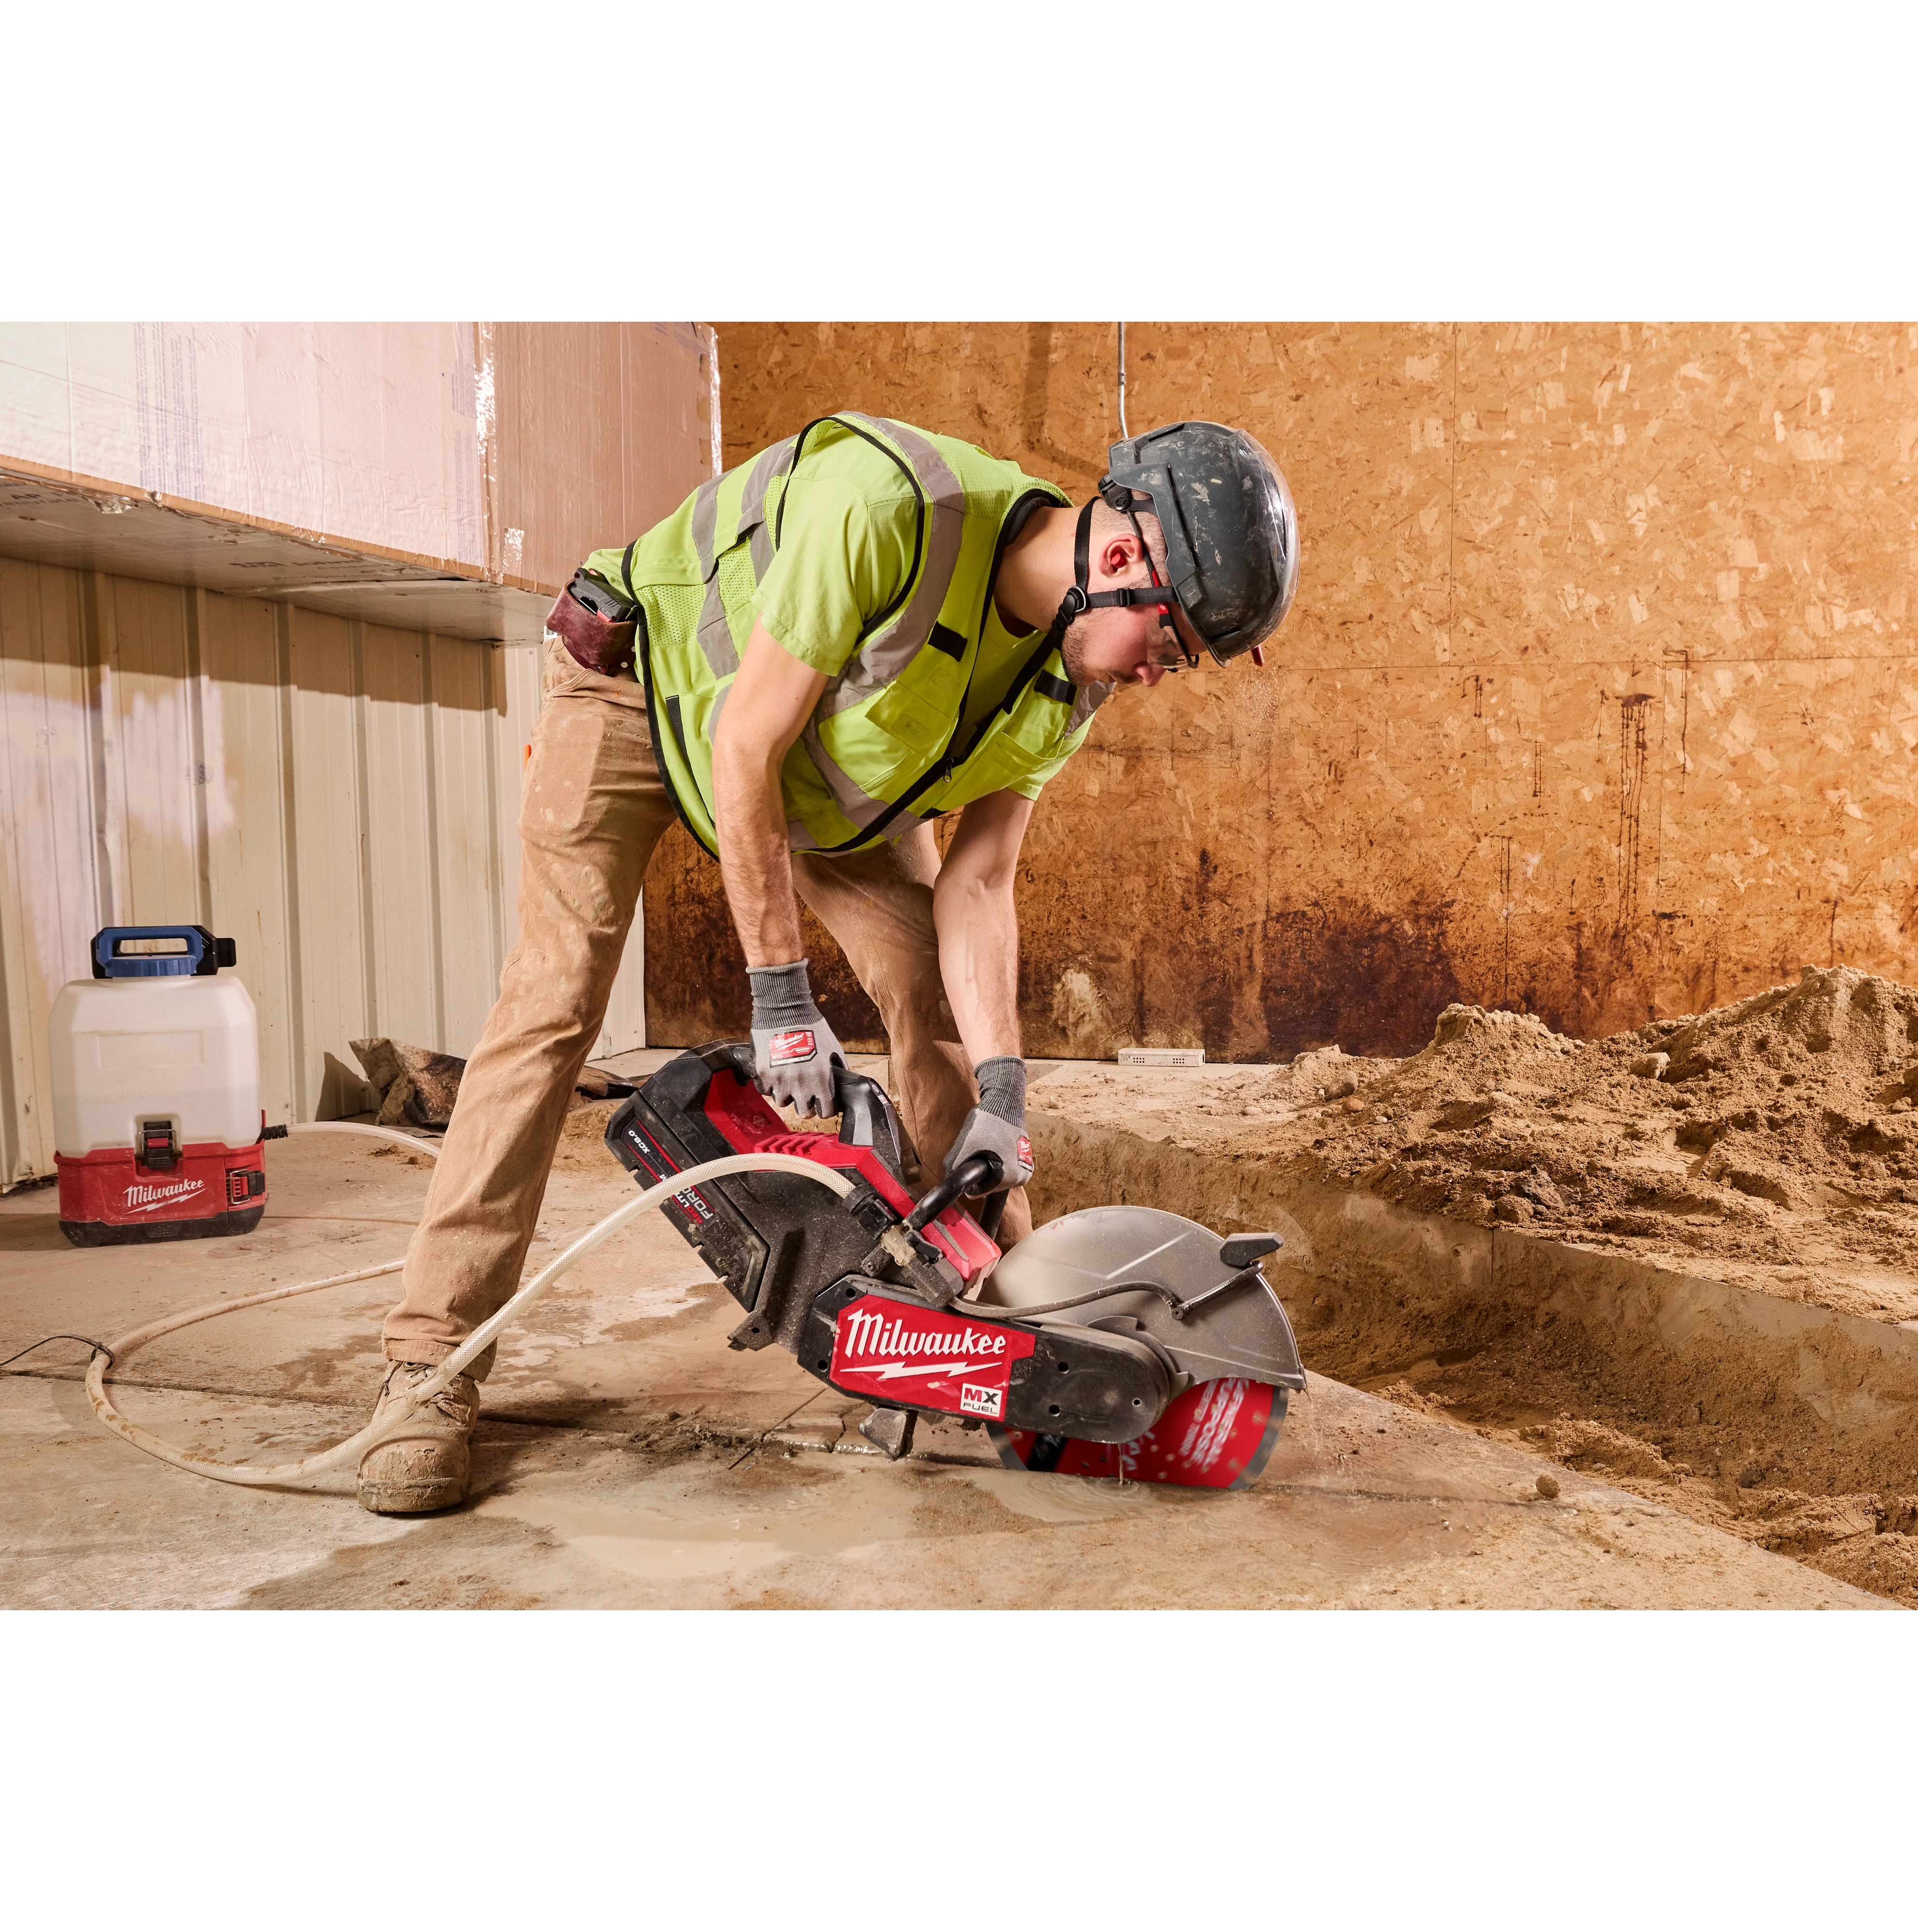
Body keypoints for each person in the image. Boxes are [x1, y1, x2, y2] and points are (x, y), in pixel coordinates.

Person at [356, 412, 1300, 1513]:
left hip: (827, 773)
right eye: (1173, 644)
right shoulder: (888, 506)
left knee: (932, 1005)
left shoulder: (1067, 679)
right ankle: (429, 1363)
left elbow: (979, 884)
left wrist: (1004, 1090)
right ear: (1125, 557)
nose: (1156, 676)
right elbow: (741, 745)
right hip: (643, 695)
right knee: (554, 1003)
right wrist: (780, 998)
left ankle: (1013, 1335)